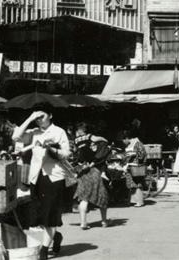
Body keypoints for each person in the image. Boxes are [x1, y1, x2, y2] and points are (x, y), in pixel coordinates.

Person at [12, 105, 69, 260]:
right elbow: (16, 137)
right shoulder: (34, 133)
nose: (39, 120)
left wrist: (51, 149)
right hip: (36, 177)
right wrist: (30, 118)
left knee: (51, 214)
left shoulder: (59, 132)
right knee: (40, 215)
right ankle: (55, 236)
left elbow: (66, 154)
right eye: (37, 118)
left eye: (41, 116)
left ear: (50, 115)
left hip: (54, 177)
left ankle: (44, 250)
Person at [73, 123, 110, 230]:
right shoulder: (90, 137)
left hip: (83, 171)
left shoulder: (76, 141)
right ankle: (104, 221)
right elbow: (103, 141)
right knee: (101, 195)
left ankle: (83, 222)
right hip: (95, 170)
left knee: (84, 197)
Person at [122, 130, 147, 207]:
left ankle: (139, 201)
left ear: (126, 138)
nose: (123, 142)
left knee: (137, 184)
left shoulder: (137, 143)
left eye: (123, 140)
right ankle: (133, 200)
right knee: (131, 184)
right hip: (130, 166)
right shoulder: (129, 145)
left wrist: (134, 155)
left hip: (136, 167)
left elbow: (142, 154)